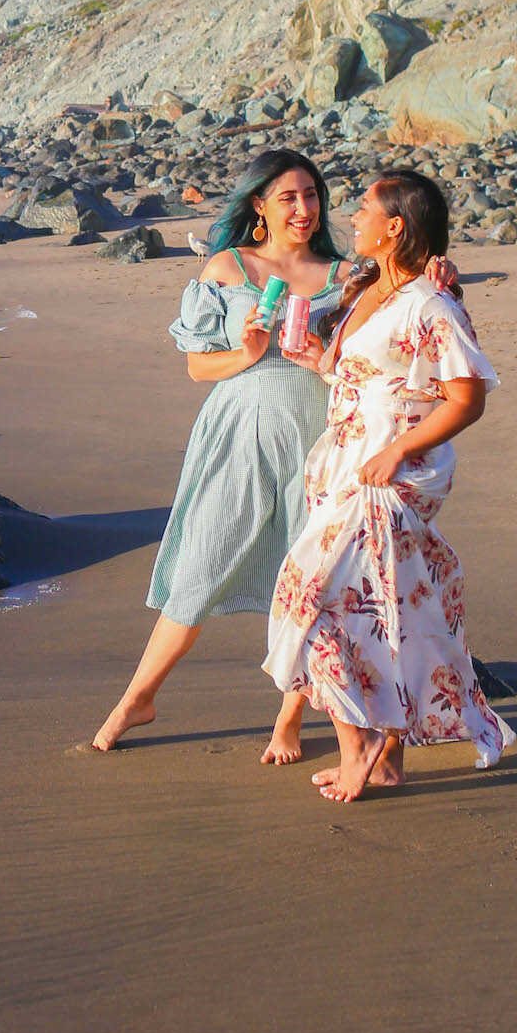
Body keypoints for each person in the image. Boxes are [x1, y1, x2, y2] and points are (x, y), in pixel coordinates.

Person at [264, 169, 515, 802]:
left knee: (311, 597)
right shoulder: (367, 288)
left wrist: (399, 449)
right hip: (348, 463)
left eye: (366, 210)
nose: (353, 219)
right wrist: (321, 361)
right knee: (382, 607)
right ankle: (389, 757)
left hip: (393, 471)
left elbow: (467, 398)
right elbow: (374, 376)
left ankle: (360, 744)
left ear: (395, 226)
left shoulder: (432, 304)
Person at [92, 150, 352, 760]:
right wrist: (245, 350)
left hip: (316, 439)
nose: (303, 209)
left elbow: (387, 327)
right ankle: (139, 697)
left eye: (311, 195)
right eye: (288, 197)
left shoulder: (344, 275)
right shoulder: (229, 269)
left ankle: (289, 720)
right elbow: (195, 367)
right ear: (258, 204)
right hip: (237, 434)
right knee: (200, 566)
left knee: (309, 581)